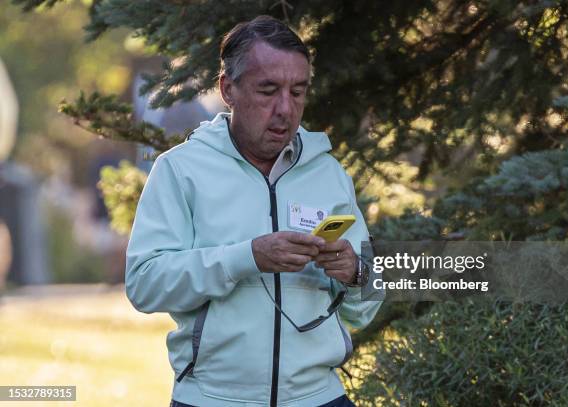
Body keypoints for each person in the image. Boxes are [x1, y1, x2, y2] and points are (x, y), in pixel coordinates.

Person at [126, 15, 381, 407]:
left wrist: (355, 272)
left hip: (321, 399)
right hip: (212, 399)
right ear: (228, 89)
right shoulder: (180, 170)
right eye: (268, 90)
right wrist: (246, 258)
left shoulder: (329, 173)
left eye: (298, 92)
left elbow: (365, 307)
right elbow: (144, 283)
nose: (285, 109)